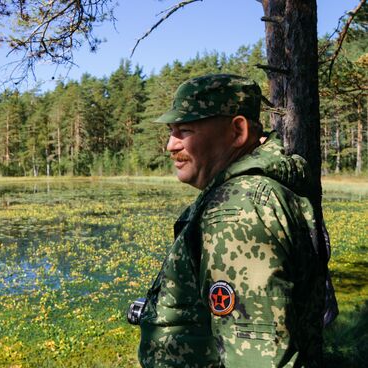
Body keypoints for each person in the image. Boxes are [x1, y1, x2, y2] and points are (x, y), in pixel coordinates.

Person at [136, 74, 335, 367]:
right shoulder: (256, 193)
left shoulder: (238, 209)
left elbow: (256, 357)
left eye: (185, 130)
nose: (170, 145)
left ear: (238, 131)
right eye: (171, 130)